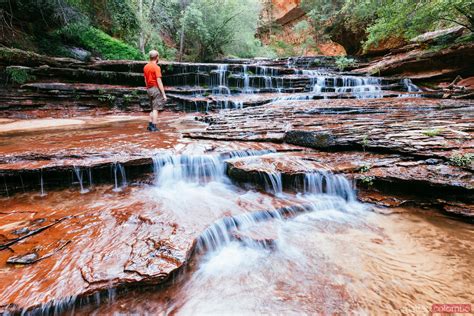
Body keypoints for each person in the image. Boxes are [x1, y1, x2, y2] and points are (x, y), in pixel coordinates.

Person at [143, 50, 167, 132]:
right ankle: (154, 127)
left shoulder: (145, 67)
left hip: (149, 89)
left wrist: (147, 88)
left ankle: (150, 125)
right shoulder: (156, 67)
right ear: (157, 57)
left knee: (152, 108)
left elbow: (145, 79)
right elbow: (159, 81)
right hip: (155, 89)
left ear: (150, 57)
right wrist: (163, 94)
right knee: (156, 109)